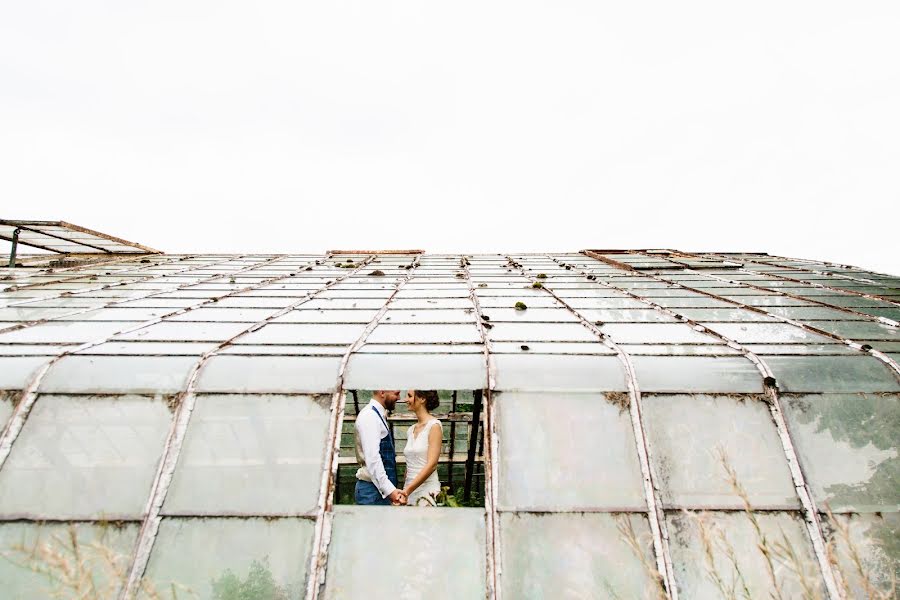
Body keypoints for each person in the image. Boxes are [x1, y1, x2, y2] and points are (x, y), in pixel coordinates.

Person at [354, 390, 407, 506]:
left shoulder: (377, 415)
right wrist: (390, 491)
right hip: (372, 492)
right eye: (396, 394)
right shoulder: (370, 416)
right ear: (382, 392)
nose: (398, 398)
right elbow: (373, 459)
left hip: (377, 490)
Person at [401, 389, 443, 506]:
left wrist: (407, 490)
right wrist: (405, 490)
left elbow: (432, 465)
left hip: (427, 491)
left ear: (422, 399)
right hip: (408, 490)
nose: (405, 400)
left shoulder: (434, 426)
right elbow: (409, 465)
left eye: (409, 396)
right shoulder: (411, 430)